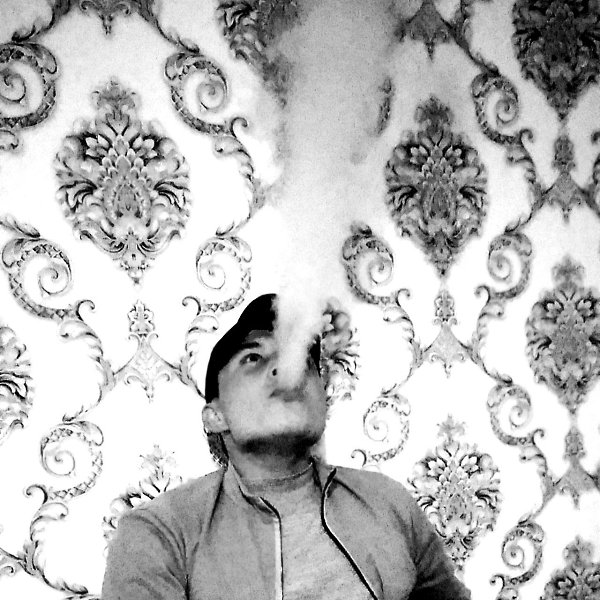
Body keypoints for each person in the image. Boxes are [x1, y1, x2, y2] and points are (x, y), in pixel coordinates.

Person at [102, 293, 471, 600]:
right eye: (253, 358)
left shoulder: (389, 502)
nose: (287, 370)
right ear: (215, 416)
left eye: (302, 360)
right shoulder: (159, 533)